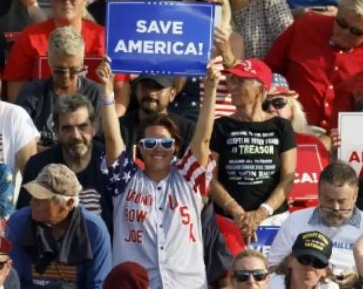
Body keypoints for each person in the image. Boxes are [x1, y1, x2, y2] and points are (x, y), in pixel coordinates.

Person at [98, 59, 217, 288]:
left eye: (165, 143)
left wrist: (211, 87)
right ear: (140, 148)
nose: (157, 149)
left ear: (175, 147)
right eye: (149, 143)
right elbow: (113, 139)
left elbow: (203, 139)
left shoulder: (188, 178)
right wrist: (106, 89)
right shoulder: (126, 181)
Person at [265, 0, 363, 130]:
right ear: (337, 12)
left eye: (356, 31)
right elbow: (267, 71)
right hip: (292, 130)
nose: (344, 33)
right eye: (341, 23)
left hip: (342, 138)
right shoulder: (306, 26)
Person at [267, 162, 363, 287]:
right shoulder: (295, 221)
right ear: (318, 194)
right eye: (329, 200)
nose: (335, 208)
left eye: (342, 201)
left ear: (355, 195)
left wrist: (359, 278)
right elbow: (272, 269)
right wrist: (303, 268)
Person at [210, 59, 297, 238]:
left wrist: (260, 214)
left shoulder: (282, 127)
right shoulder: (220, 126)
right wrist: (237, 212)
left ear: (261, 90)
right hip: (229, 219)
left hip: (272, 219)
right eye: (232, 80)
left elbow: (288, 178)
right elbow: (209, 177)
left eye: (240, 81)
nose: (232, 87)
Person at [1, 0, 109, 103]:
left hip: (93, 117)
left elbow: (120, 91)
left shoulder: (103, 37)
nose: (66, 1)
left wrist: (106, 120)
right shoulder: (30, 38)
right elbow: (15, 94)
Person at [6, 163, 112, 288]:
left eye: (42, 198)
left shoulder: (94, 230)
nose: (32, 202)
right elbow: (12, 281)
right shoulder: (18, 223)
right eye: (33, 195)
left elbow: (98, 285)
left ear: (69, 203)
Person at [17, 94, 112, 220]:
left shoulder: (109, 161)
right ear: (56, 131)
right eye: (67, 128)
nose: (76, 136)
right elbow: (25, 219)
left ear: (94, 127)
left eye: (82, 126)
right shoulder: (38, 166)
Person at [15, 26, 102, 149]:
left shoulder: (95, 93)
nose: (66, 76)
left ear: (82, 62)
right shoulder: (32, 93)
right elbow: (19, 139)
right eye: (59, 70)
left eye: (73, 70)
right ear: (48, 59)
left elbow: (99, 143)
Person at [117, 74, 195, 153]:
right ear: (136, 90)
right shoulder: (119, 128)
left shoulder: (187, 131)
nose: (151, 93)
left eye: (158, 87)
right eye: (146, 86)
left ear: (172, 94)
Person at [271, 231, 343, 289]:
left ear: (325, 271)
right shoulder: (269, 284)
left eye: (318, 263)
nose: (310, 268)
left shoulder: (330, 287)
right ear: (290, 261)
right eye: (304, 260)